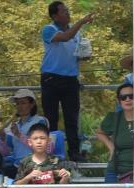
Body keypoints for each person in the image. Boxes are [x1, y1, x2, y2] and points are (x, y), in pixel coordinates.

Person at [40, 2, 95, 161]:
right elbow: (64, 37)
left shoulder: (75, 33)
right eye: (64, 11)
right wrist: (82, 22)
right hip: (51, 78)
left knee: (72, 118)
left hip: (71, 79)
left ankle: (74, 152)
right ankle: (52, 154)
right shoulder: (49, 29)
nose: (68, 13)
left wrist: (84, 54)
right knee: (51, 118)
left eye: (67, 11)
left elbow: (75, 50)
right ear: (55, 16)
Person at [95, 83, 134, 188]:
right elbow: (99, 132)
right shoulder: (113, 118)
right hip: (114, 172)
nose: (127, 99)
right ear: (119, 101)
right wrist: (111, 146)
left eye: (131, 96)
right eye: (123, 97)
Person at [0, 89, 49, 177]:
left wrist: (19, 135)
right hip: (17, 165)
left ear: (32, 104)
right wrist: (3, 139)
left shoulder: (39, 121)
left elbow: (40, 145)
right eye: (17, 104)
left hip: (35, 165)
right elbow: (7, 152)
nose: (19, 106)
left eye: (23, 103)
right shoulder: (14, 125)